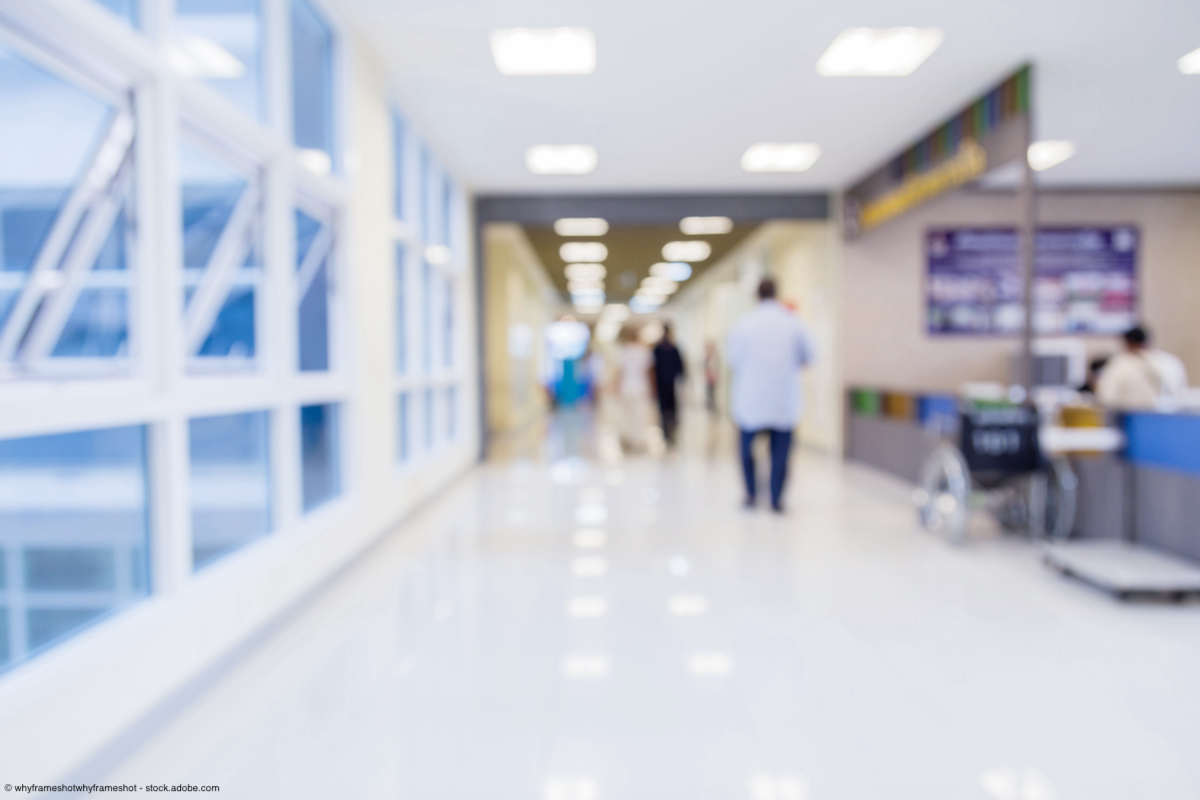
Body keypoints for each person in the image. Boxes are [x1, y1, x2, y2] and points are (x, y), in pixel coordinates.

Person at [726, 278, 815, 512]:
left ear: (756, 296)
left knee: (746, 451)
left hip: (750, 400)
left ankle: (751, 494)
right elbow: (809, 356)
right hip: (783, 401)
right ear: (776, 294)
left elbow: (732, 360)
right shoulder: (793, 323)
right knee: (780, 454)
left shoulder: (743, 324)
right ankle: (776, 499)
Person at [1096, 325, 1188, 410]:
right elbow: (1181, 394)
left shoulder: (1119, 363)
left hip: (1133, 420)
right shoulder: (1171, 361)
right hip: (1169, 419)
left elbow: (1106, 398)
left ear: (1127, 343)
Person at [615, 326, 653, 452]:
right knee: (640, 414)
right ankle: (639, 439)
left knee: (627, 414)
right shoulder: (643, 351)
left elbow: (621, 371)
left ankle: (627, 438)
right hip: (640, 386)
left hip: (627, 387)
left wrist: (617, 386)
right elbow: (648, 371)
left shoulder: (624, 351)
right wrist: (652, 387)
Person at [652, 324, 686, 447]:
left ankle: (672, 429)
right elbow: (654, 368)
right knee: (664, 408)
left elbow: (680, 367)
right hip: (663, 384)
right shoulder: (659, 349)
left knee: (671, 408)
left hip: (670, 384)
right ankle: (666, 431)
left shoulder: (672, 348)